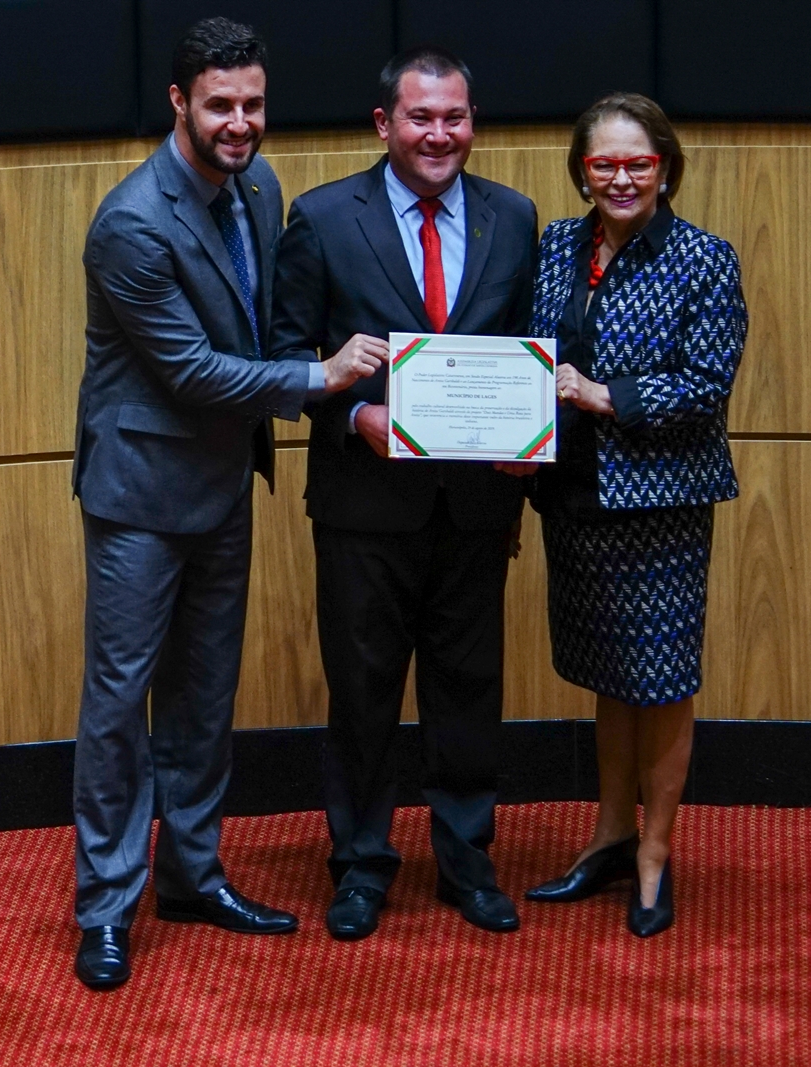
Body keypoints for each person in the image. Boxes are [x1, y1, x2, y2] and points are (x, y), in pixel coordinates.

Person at [69, 18, 383, 991]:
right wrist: (322, 376)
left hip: (219, 482)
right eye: (220, 105)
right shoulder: (129, 222)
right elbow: (191, 369)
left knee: (204, 697)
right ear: (178, 104)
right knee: (120, 704)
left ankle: (192, 875)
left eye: (252, 102)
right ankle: (106, 905)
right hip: (139, 493)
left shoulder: (257, 185)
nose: (241, 122)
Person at [269, 46, 538, 940]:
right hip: (363, 508)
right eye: (421, 117)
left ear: (473, 123)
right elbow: (283, 361)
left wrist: (532, 435)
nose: (440, 133)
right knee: (363, 692)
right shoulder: (318, 219)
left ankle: (467, 860)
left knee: (469, 689)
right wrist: (353, 421)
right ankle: (360, 866)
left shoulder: (513, 216)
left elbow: (527, 348)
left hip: (474, 507)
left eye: (455, 117)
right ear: (384, 124)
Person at [517, 93, 746, 938]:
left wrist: (604, 395)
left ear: (665, 167)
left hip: (662, 506)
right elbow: (525, 360)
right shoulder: (553, 249)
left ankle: (654, 851)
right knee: (611, 674)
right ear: (582, 170)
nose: (619, 177)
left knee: (664, 680)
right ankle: (610, 833)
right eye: (602, 163)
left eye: (636, 163)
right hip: (573, 496)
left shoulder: (703, 260)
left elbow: (704, 383)